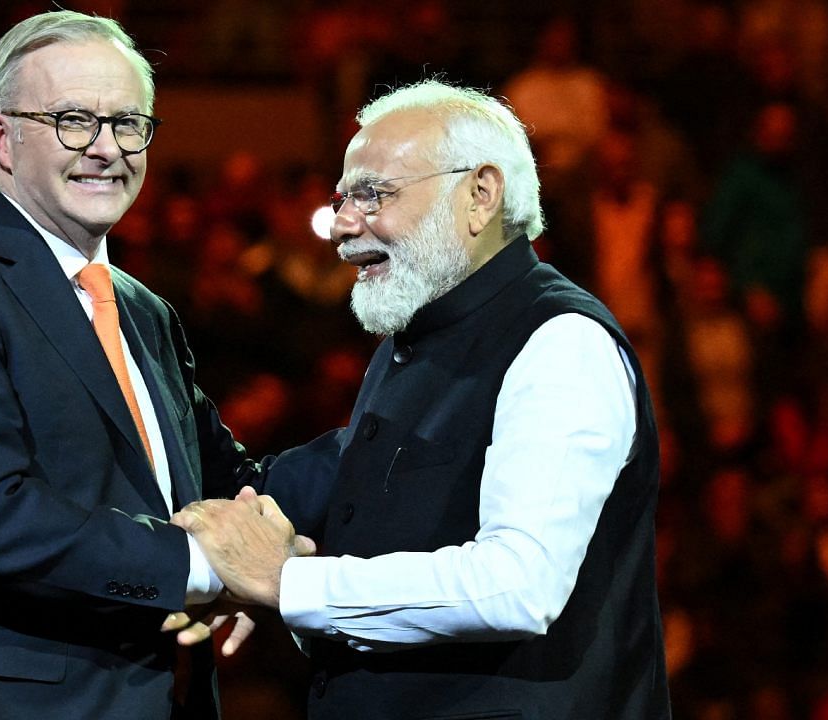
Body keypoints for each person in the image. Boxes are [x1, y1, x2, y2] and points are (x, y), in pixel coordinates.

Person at [172, 80, 672, 718]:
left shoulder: (561, 343)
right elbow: (344, 471)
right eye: (343, 199)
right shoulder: (415, 335)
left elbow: (517, 585)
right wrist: (229, 537)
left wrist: (283, 581)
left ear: (480, 195)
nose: (345, 227)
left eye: (374, 195)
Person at [0, 11, 263, 720]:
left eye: (129, 123)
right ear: (0, 139)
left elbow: (232, 481)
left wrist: (285, 535)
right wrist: (205, 570)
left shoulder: (142, 310)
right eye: (74, 120)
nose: (106, 148)